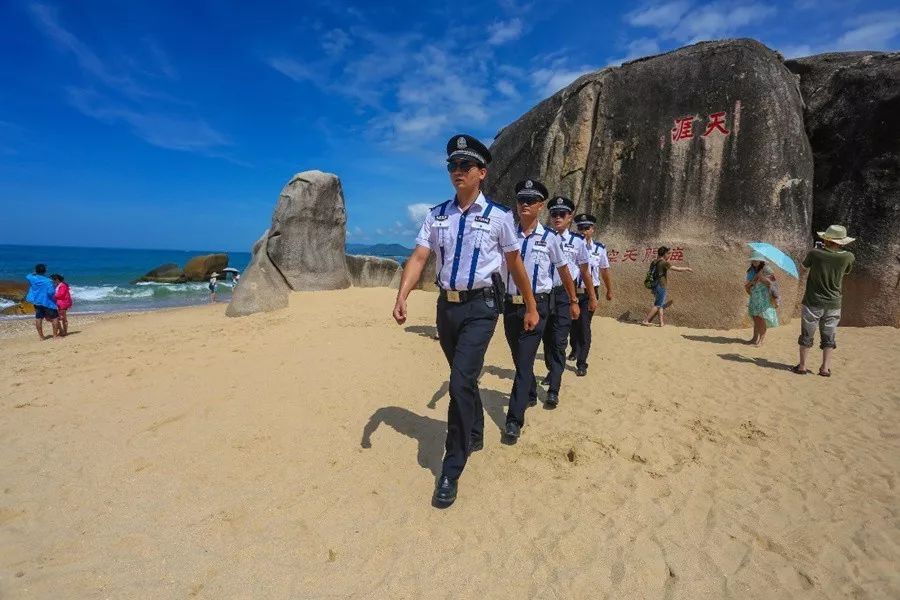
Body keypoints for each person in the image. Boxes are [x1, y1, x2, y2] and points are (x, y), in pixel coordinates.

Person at [392, 134, 538, 507]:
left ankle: (452, 467)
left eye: (465, 166)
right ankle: (474, 429)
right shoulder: (436, 215)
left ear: (481, 173)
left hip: (482, 307)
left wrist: (532, 305)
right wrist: (402, 294)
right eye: (452, 166)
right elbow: (420, 257)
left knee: (459, 382)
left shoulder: (500, 217)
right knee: (465, 378)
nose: (457, 172)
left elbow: (514, 264)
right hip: (447, 308)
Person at [501, 179, 579, 443]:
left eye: (531, 200)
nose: (525, 203)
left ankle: (514, 420)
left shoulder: (550, 239)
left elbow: (564, 271)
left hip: (539, 306)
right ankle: (531, 392)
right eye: (521, 198)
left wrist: (573, 300)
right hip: (510, 305)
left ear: (540, 206)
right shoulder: (507, 233)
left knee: (524, 360)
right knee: (517, 357)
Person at [541, 196, 597, 408]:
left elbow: (585, 272)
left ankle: (554, 387)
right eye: (553, 214)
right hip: (545, 294)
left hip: (566, 295)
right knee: (546, 339)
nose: (557, 218)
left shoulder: (578, 242)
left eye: (561, 214)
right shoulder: (544, 237)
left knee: (559, 340)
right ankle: (551, 369)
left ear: (569, 217)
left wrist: (591, 296)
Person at [793, 224, 856, 377]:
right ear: (842, 242)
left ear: (826, 239)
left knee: (807, 334)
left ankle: (802, 366)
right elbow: (846, 272)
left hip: (813, 300)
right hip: (834, 302)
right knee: (829, 336)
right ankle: (825, 368)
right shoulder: (848, 257)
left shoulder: (815, 253)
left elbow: (803, 267)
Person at [567, 213, 613, 376]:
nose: (583, 231)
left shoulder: (599, 249)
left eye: (586, 228)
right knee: (573, 324)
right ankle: (574, 349)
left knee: (584, 325)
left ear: (592, 229)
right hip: (572, 292)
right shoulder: (570, 245)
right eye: (580, 228)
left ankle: (582, 362)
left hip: (589, 293)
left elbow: (604, 271)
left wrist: (609, 289)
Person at [641, 246, 693, 327]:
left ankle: (661, 322)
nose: (669, 255)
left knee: (660, 304)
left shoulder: (654, 262)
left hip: (654, 285)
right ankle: (646, 320)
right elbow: (677, 269)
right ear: (664, 254)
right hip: (661, 285)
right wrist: (686, 268)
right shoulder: (663, 263)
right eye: (668, 253)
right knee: (658, 304)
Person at [744, 253, 779, 346]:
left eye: (756, 260)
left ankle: (761, 341)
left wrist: (760, 278)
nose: (754, 261)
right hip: (754, 296)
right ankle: (754, 338)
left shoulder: (767, 269)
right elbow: (748, 283)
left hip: (764, 297)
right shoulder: (751, 270)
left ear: (761, 261)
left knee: (762, 318)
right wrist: (752, 282)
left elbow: (772, 283)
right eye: (753, 260)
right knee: (755, 317)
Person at [25, 263, 60, 340]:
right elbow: (50, 293)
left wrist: (34, 272)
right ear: (45, 271)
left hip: (37, 302)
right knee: (55, 318)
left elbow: (28, 276)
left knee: (39, 318)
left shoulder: (32, 278)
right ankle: (55, 336)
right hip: (47, 302)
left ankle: (41, 337)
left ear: (36, 271)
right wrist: (55, 286)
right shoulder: (48, 281)